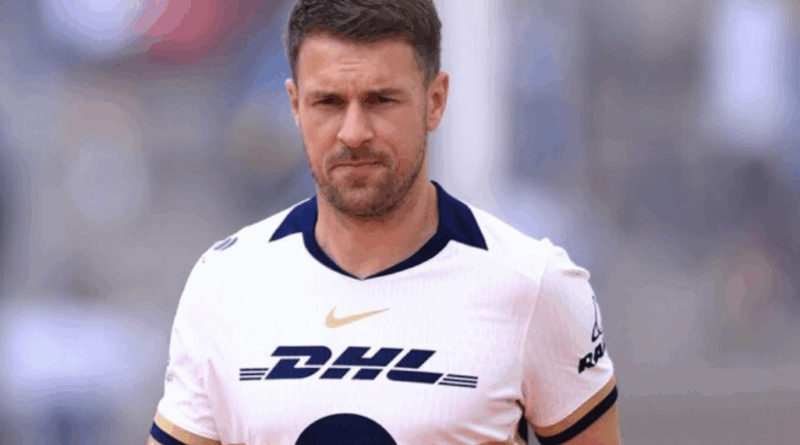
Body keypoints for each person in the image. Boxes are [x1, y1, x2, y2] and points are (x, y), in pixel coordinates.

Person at [146, 0, 622, 444]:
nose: (353, 133)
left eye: (380, 101)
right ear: (294, 105)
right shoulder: (224, 282)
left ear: (435, 101)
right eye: (328, 102)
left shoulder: (535, 285)